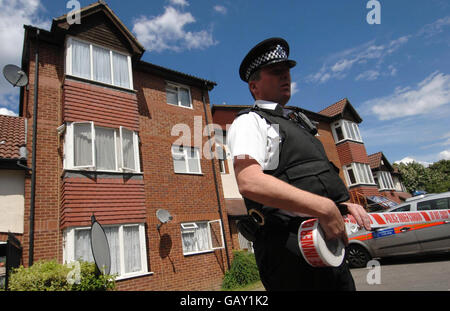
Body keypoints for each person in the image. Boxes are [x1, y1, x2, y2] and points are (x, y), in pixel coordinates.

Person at [227, 37, 372, 291]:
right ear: (254, 86)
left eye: (287, 72)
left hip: (327, 245)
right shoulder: (251, 121)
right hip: (289, 251)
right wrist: (324, 208)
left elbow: (307, 180)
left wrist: (342, 206)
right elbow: (249, 181)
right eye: (276, 72)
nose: (286, 77)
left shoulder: (298, 124)